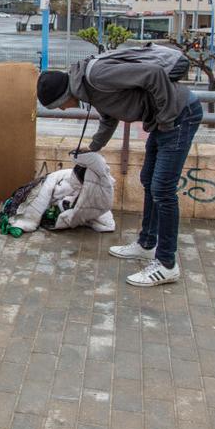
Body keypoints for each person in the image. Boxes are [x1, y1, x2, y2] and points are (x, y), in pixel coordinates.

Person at [37, 52, 203, 287]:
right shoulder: (90, 89)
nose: (63, 110)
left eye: (59, 106)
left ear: (63, 95)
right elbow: (110, 117)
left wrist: (165, 119)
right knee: (148, 180)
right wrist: (92, 148)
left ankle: (167, 264)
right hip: (164, 122)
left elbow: (153, 74)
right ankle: (147, 245)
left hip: (178, 116)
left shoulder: (97, 76)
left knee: (163, 190)